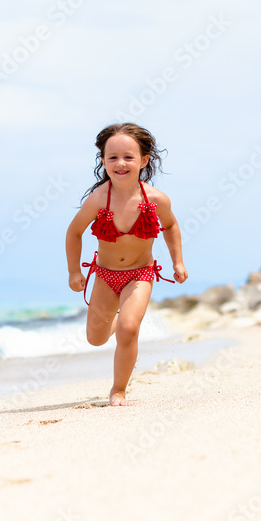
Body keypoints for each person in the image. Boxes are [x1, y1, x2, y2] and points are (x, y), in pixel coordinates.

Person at [65, 122, 188, 406]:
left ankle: (118, 390)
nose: (120, 163)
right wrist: (74, 271)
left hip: (140, 274)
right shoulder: (98, 199)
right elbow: (74, 232)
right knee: (95, 339)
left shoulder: (156, 200)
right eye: (113, 157)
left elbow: (171, 226)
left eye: (129, 157)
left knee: (129, 329)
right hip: (105, 275)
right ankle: (117, 319)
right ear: (103, 161)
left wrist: (177, 262)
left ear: (144, 160)